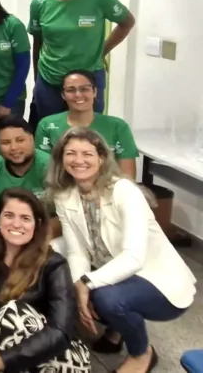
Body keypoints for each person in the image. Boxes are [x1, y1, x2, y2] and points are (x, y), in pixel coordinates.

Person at [48, 128, 196, 373]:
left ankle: (142, 352)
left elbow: (134, 258)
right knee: (71, 279)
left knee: (106, 299)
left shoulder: (124, 191)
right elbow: (77, 252)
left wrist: (86, 283)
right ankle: (116, 326)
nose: (78, 160)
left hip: (157, 281)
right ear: (61, 160)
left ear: (102, 158)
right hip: (114, 272)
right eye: (70, 153)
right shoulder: (66, 196)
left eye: (87, 153)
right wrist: (78, 286)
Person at [0, 188, 91, 373]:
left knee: (14, 312)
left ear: (36, 224)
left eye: (25, 218)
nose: (16, 224)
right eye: (9, 215)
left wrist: (3, 360)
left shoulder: (54, 264)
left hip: (58, 356)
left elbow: (60, 331)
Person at [30, 0, 136, 118]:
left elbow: (127, 22)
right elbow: (38, 42)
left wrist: (103, 51)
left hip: (89, 78)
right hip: (50, 79)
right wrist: (37, 79)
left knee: (88, 131)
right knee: (51, 130)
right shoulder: (39, 3)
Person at [34, 70, 138, 179]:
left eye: (84, 89)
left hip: (107, 190)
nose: (78, 95)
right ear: (63, 95)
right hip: (63, 189)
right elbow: (44, 171)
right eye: (70, 90)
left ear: (95, 92)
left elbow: (128, 177)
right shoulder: (47, 125)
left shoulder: (118, 126)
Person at [0, 115, 50, 204]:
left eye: (20, 140)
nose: (13, 147)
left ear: (32, 139)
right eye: (6, 142)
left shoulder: (52, 167)